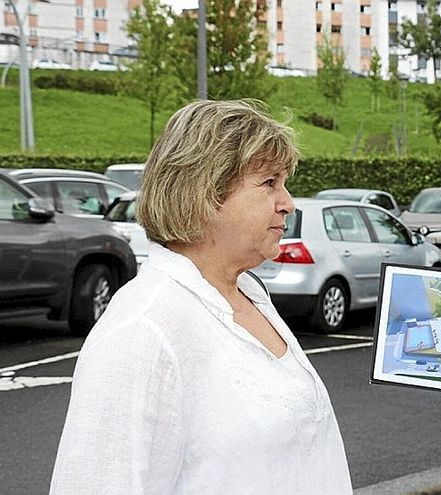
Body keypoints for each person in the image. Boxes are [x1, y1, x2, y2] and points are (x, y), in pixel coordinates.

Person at [51, 100, 352, 493]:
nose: (288, 203)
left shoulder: (247, 292)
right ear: (205, 192)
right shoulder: (143, 331)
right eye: (269, 183)